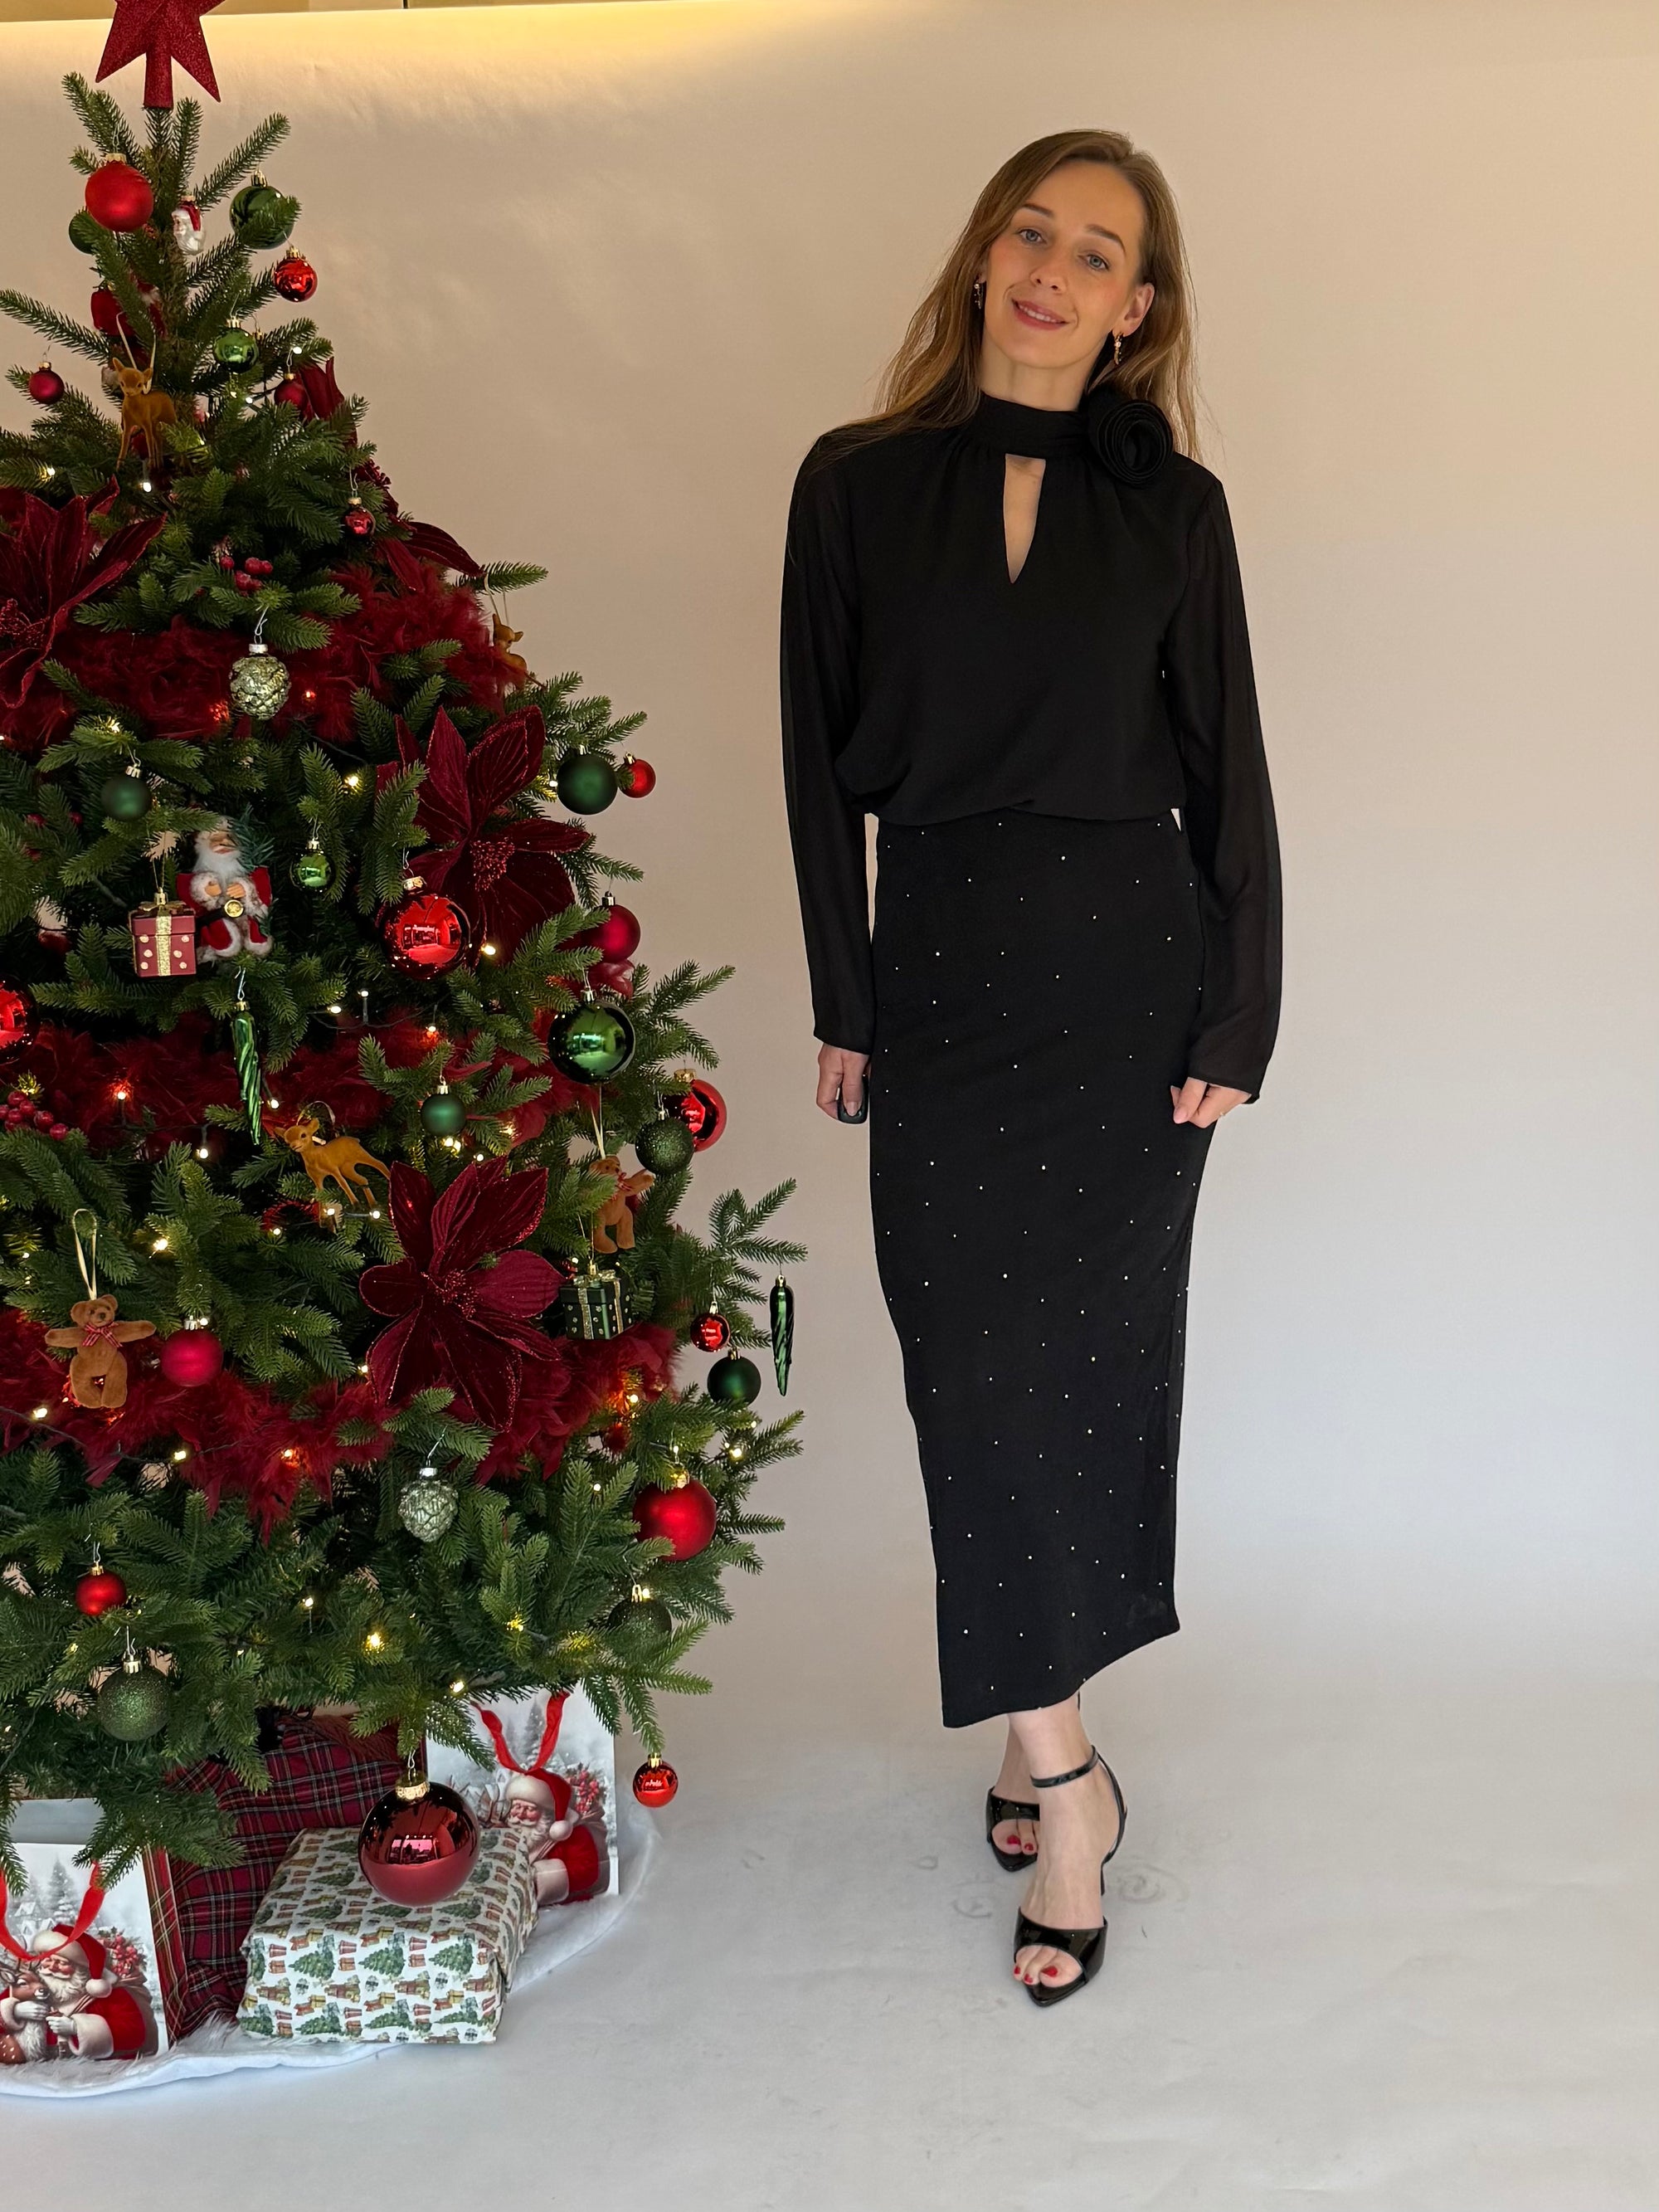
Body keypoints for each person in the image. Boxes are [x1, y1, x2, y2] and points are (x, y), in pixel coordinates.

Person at [779, 129, 1282, 2006]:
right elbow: (813, 761)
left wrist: (1241, 1011)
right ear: (984, 256)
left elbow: (1229, 767)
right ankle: (1066, 1757)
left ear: (1138, 307)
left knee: (1074, 1384)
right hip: (941, 971)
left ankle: (1048, 1765)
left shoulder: (1175, 508)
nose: (1054, 271)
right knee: (970, 1381)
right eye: (1031, 232)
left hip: (1129, 990)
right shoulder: (853, 482)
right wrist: (845, 997)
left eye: (1098, 253)